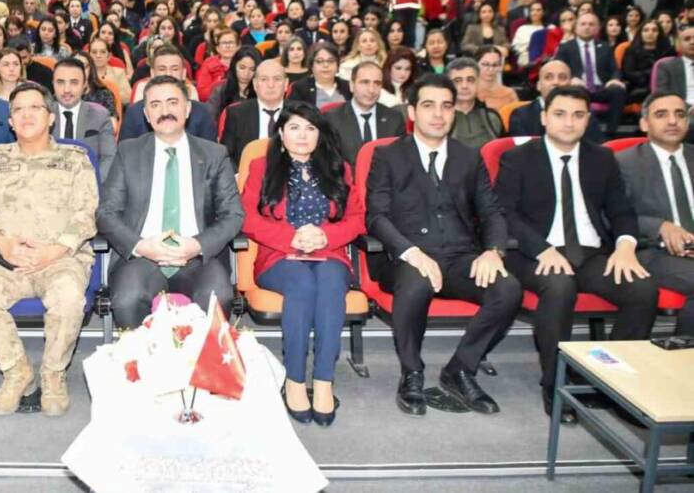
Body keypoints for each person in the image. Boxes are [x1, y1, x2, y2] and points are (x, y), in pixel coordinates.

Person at [495, 85, 656, 424]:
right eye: (560, 114)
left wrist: (626, 246)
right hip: (533, 252)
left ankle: (613, 383)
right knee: (559, 286)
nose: (569, 122)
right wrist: (542, 249)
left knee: (642, 290)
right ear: (543, 118)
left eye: (578, 115)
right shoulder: (518, 157)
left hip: (590, 252)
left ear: (587, 120)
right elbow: (505, 214)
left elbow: (621, 211)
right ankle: (555, 384)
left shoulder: (602, 158)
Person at [366, 73, 522, 417]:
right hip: (406, 257)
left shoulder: (469, 157)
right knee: (417, 279)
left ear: (454, 112)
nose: (438, 114)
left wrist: (492, 251)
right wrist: (411, 251)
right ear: (412, 112)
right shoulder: (388, 156)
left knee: (508, 288)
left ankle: (460, 369)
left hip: (461, 256)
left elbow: (492, 211)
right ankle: (412, 372)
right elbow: (375, 216)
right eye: (428, 105)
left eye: (446, 106)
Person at [0, 82, 99, 417]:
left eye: (34, 108)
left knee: (68, 297)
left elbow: (87, 213)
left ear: (50, 117)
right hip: (6, 262)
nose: (26, 115)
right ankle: (16, 371)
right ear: (10, 121)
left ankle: (53, 374)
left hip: (60, 260)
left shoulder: (74, 159)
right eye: (18, 110)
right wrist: (3, 244)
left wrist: (53, 251)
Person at [241, 101, 365, 426]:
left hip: (330, 252)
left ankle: (324, 380)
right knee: (302, 282)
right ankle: (295, 379)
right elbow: (248, 219)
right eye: (294, 127)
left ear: (320, 135)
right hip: (279, 255)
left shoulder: (340, 168)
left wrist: (326, 236)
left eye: (311, 128)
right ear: (280, 133)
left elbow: (357, 218)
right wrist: (291, 237)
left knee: (330, 281)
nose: (302, 135)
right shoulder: (260, 167)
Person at [99, 72, 244, 327]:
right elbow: (106, 213)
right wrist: (141, 246)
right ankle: (138, 366)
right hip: (141, 255)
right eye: (155, 105)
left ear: (187, 108)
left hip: (198, 257)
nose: (164, 111)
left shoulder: (214, 154)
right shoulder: (128, 152)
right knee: (127, 298)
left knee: (216, 296)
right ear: (146, 114)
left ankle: (202, 367)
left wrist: (196, 245)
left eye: (172, 102)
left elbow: (233, 214)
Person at [617, 91, 694, 337]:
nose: (672, 121)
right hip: (652, 251)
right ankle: (684, 360)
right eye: (661, 115)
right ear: (643, 123)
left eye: (679, 114)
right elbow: (612, 217)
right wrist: (659, 226)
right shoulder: (623, 162)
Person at [119, 50, 219, 143]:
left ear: (184, 74)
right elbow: (125, 156)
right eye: (162, 69)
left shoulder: (202, 111)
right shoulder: (134, 112)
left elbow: (211, 155)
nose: (168, 74)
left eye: (175, 69)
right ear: (152, 74)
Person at [555, 12, 627, 136]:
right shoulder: (566, 47)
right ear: (576, 26)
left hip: (601, 87)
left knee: (618, 90)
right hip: (579, 87)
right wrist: (571, 79)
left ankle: (611, 133)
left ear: (597, 28)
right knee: (576, 90)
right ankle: (586, 133)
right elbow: (559, 70)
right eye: (583, 24)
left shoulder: (605, 47)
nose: (587, 27)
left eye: (591, 24)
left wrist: (614, 79)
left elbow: (614, 69)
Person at [323, 60, 406, 165]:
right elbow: (330, 163)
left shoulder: (395, 118)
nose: (371, 90)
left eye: (377, 83)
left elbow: (400, 161)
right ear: (352, 85)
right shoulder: (332, 119)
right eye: (365, 82)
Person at [51, 58, 116, 181]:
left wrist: (93, 185)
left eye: (74, 82)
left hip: (89, 186)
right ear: (52, 84)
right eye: (60, 82)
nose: (67, 90)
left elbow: (109, 157)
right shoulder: (42, 114)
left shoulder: (100, 116)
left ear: (84, 84)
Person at [221, 59, 288, 168]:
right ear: (255, 84)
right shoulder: (237, 114)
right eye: (264, 79)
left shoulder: (299, 113)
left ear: (286, 84)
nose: (271, 85)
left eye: (277, 79)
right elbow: (226, 156)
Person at [446, 58, 503, 149]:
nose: (464, 86)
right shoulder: (440, 118)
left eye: (470, 80)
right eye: (457, 81)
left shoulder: (492, 117)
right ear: (448, 85)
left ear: (478, 82)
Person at [288, 42, 350, 108]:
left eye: (331, 61)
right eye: (319, 61)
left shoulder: (348, 87)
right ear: (312, 65)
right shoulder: (300, 88)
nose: (326, 65)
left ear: (337, 65)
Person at [207, 46, 260, 120]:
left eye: (252, 69)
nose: (246, 73)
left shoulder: (262, 91)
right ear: (234, 66)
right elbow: (210, 119)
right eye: (242, 67)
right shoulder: (220, 91)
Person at [475, 46, 518, 112]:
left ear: (500, 67)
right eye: (485, 64)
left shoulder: (509, 94)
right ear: (475, 64)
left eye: (495, 65)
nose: (490, 69)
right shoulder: (467, 92)